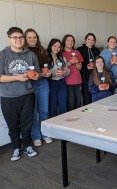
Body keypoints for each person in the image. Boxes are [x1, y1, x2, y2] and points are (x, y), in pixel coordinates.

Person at [0, 27, 40, 161]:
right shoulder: (3, 55)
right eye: (15, 37)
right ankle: (16, 148)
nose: (18, 40)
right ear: (9, 39)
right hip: (9, 97)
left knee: (27, 123)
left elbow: (38, 72)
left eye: (20, 37)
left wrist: (36, 76)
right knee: (13, 125)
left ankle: (27, 146)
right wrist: (17, 77)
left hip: (28, 95)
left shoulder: (31, 55)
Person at [24, 28, 52, 147]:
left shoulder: (42, 50)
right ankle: (36, 136)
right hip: (31, 83)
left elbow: (46, 66)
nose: (32, 39)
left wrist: (49, 73)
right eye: (29, 37)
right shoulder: (23, 52)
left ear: (37, 38)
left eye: (34, 37)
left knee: (44, 110)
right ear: (25, 39)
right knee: (34, 112)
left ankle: (45, 133)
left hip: (43, 82)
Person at [47, 39, 70, 118]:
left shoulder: (62, 58)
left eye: (59, 47)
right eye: (55, 46)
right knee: (52, 105)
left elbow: (67, 69)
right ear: (50, 46)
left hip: (61, 82)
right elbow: (43, 71)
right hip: (51, 82)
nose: (57, 48)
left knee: (63, 104)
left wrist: (65, 72)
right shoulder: (46, 57)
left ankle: (63, 124)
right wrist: (53, 73)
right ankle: (53, 125)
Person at [77, 33, 100, 106]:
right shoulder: (79, 50)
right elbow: (77, 64)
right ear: (85, 40)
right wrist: (86, 67)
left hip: (95, 77)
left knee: (95, 97)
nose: (90, 41)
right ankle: (86, 115)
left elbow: (100, 62)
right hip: (85, 77)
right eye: (89, 39)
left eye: (93, 40)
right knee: (86, 98)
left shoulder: (96, 50)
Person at [61, 34, 84, 111]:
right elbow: (60, 68)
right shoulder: (61, 53)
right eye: (68, 40)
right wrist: (69, 63)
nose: (70, 42)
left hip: (78, 81)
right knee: (70, 103)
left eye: (72, 41)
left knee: (78, 103)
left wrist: (77, 62)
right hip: (67, 82)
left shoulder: (77, 52)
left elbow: (80, 67)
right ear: (64, 41)